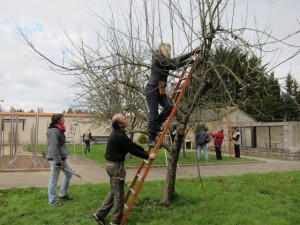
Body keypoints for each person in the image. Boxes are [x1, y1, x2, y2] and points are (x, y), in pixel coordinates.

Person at [93, 113, 156, 225]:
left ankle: (99, 214)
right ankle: (115, 222)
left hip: (111, 165)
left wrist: (143, 150)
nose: (127, 119)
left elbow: (130, 144)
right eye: (124, 118)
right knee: (119, 196)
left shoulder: (118, 133)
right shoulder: (119, 136)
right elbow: (131, 149)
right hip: (116, 167)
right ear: (121, 124)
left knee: (114, 191)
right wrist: (147, 156)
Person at [145, 42, 200, 147]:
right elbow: (174, 65)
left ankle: (156, 123)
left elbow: (177, 60)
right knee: (153, 113)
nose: (169, 52)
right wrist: (189, 62)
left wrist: (193, 53)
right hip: (152, 88)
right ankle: (151, 138)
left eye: (170, 50)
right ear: (162, 49)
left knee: (170, 107)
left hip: (160, 90)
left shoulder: (164, 59)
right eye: (168, 50)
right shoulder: (157, 57)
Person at [46, 113, 73, 207]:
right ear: (58, 121)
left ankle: (63, 194)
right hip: (55, 159)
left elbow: (59, 144)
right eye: (63, 119)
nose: (64, 120)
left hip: (61, 158)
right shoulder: (54, 131)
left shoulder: (59, 130)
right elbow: (54, 147)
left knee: (69, 173)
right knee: (53, 179)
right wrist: (58, 162)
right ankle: (52, 201)